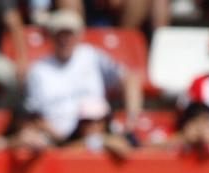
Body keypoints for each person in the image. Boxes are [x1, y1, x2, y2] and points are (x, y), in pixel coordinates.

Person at [22, 10, 130, 146]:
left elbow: (129, 78)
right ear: (51, 37)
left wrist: (131, 119)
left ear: (78, 36)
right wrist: (61, 138)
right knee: (31, 142)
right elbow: (35, 117)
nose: (64, 40)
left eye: (69, 34)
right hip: (57, 139)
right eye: (60, 35)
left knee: (121, 144)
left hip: (96, 132)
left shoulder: (90, 55)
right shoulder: (38, 70)